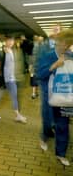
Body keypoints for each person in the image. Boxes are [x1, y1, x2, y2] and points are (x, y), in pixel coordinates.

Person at [37, 28, 73, 166]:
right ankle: (44, 136)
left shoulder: (71, 56)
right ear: (60, 43)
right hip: (49, 96)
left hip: (65, 97)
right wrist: (53, 66)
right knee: (48, 122)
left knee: (63, 125)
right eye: (66, 45)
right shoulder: (48, 56)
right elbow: (40, 74)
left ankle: (61, 153)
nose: (67, 48)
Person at [35, 25, 61, 153]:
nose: (56, 32)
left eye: (58, 30)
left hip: (59, 84)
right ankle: (44, 136)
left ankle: (51, 130)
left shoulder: (64, 47)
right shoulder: (43, 46)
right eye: (54, 29)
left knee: (57, 110)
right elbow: (38, 63)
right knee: (47, 110)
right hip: (46, 82)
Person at [0, 35, 27, 123]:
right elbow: (2, 65)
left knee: (5, 95)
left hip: (11, 77)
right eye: (9, 40)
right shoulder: (4, 51)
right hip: (7, 78)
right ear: (6, 41)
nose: (11, 42)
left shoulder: (11, 51)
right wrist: (6, 78)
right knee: (11, 95)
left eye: (12, 41)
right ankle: (16, 115)